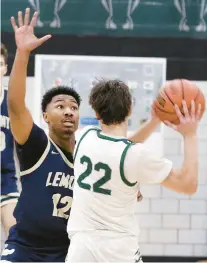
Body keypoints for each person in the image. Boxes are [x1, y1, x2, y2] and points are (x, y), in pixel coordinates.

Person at [67, 79, 201, 263]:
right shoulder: (136, 156)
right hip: (118, 248)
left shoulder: (83, 137)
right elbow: (188, 185)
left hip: (81, 247)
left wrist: (155, 121)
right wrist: (190, 135)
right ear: (130, 109)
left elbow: (119, 146)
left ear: (97, 113)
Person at [1, 9, 81, 262]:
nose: (68, 111)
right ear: (45, 116)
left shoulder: (89, 154)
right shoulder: (37, 144)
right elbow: (14, 104)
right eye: (60, 106)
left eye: (73, 107)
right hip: (25, 247)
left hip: (68, 251)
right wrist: (23, 53)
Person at [0, 43, 19, 238]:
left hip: (6, 178)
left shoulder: (12, 102)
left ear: (5, 68)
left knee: (14, 235)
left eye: (0, 64)